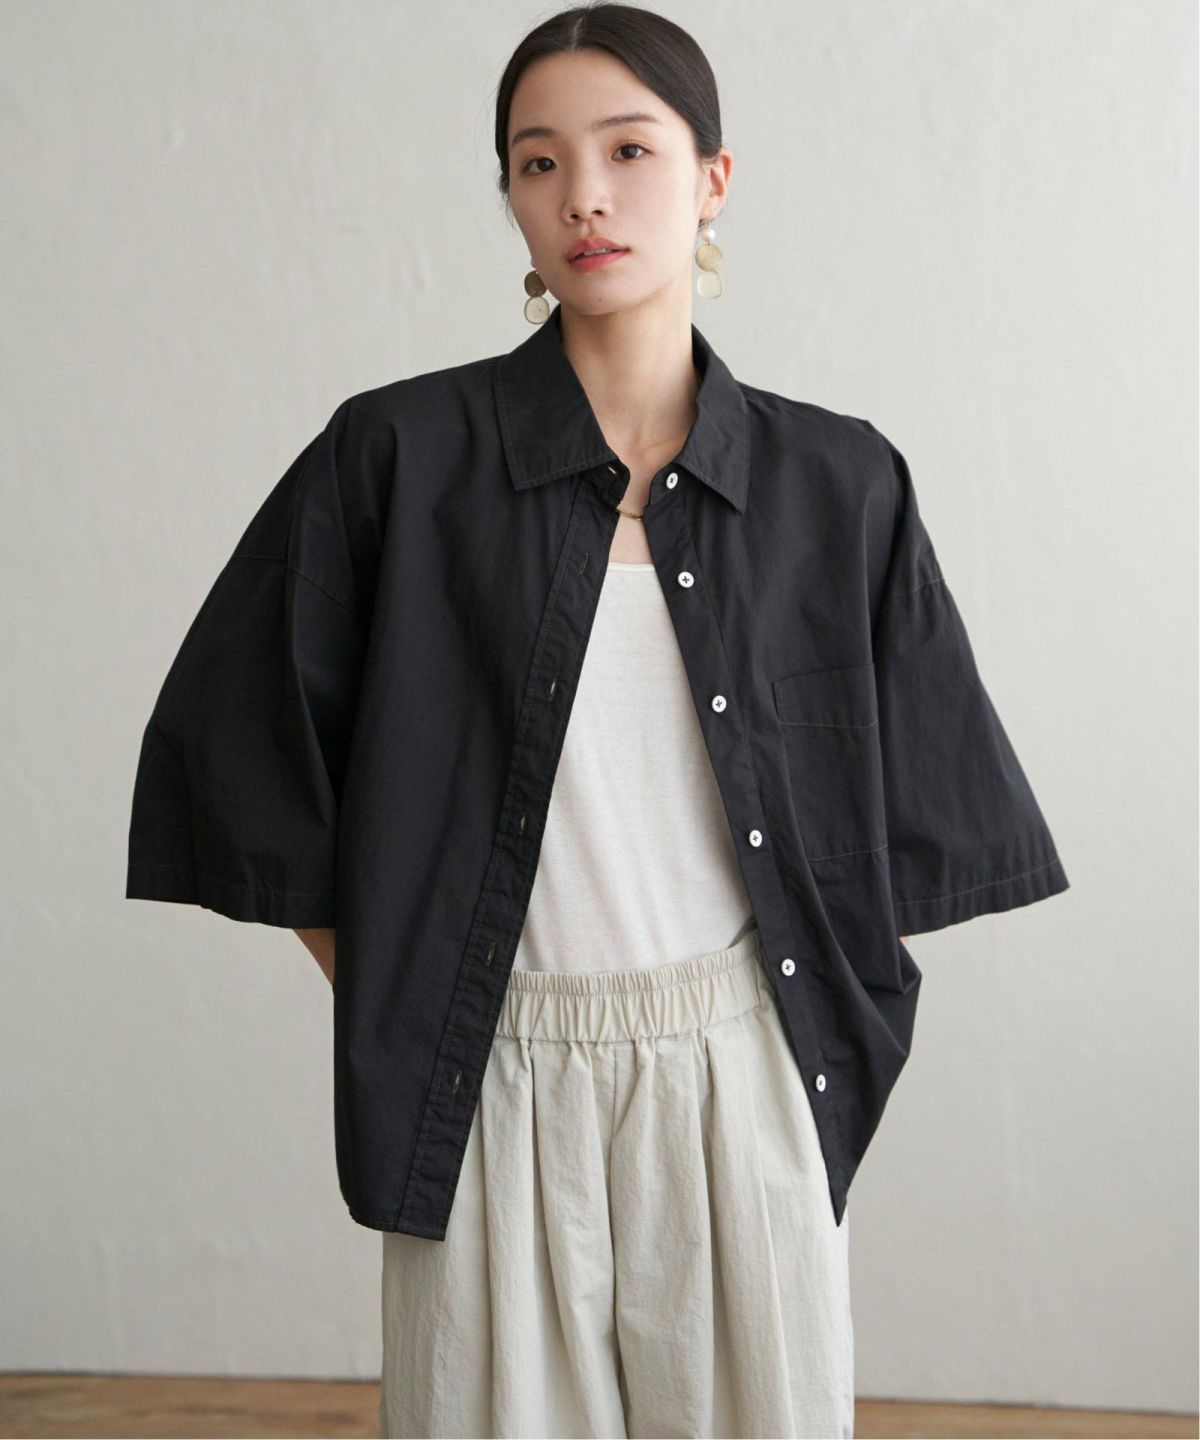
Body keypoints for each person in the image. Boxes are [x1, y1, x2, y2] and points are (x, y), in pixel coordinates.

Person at [125, 5, 1069, 1438]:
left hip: (744, 1074)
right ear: (510, 196)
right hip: (487, 1073)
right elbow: (235, 753)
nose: (584, 196)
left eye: (630, 151)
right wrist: (405, 977)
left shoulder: (839, 484)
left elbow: (919, 814)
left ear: (713, 180)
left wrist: (802, 1015)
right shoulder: (396, 459)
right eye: (538, 161)